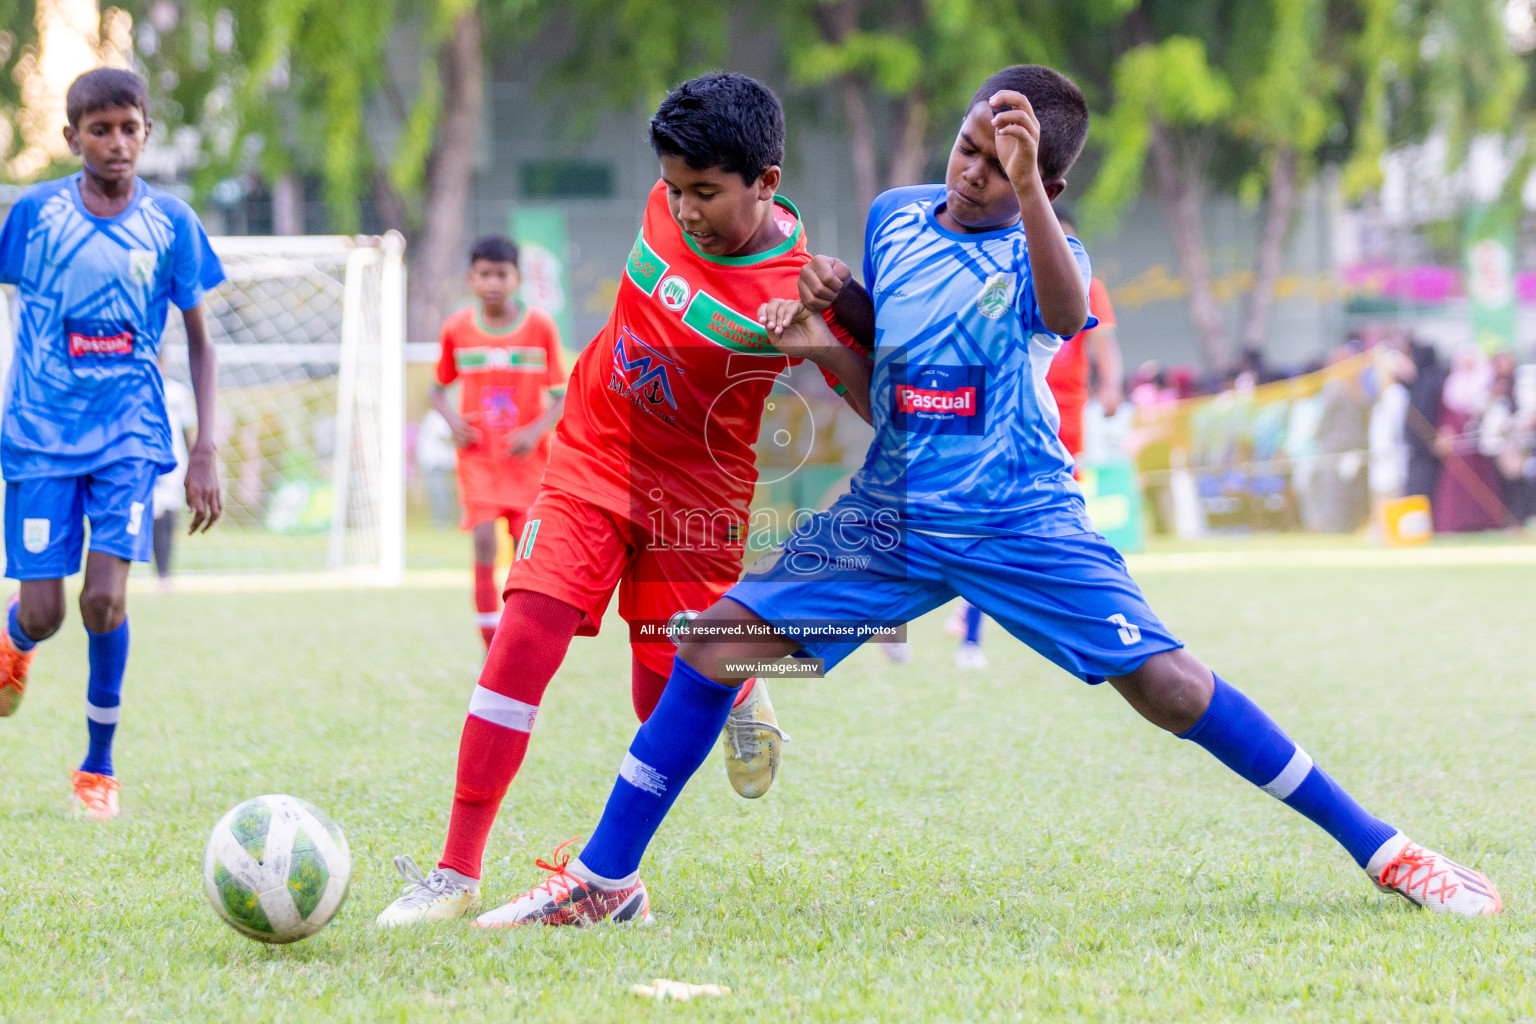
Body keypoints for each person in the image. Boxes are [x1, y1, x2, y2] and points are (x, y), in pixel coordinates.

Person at [478, 63, 1501, 928]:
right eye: (967, 148)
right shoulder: (895, 218)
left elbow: (1059, 312)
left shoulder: (1048, 254)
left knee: (1172, 690)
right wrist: (839, 307)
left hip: (1018, 518)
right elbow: (888, 352)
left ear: (1046, 180)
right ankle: (606, 881)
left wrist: (1031, 197)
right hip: (892, 522)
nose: (969, 174)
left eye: (998, 164)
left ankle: (1386, 848)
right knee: (712, 645)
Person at [375, 72, 875, 926]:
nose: (682, 209)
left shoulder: (800, 294)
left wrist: (839, 328)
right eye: (675, 188)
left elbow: (874, 398)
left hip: (698, 500)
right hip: (593, 454)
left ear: (767, 182)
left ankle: (636, 858)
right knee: (525, 634)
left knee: (662, 698)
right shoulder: (666, 194)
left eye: (705, 194)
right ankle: (455, 875)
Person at [0, 68, 224, 819]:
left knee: (102, 600)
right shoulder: (34, 216)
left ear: (147, 133)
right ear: (72, 138)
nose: (117, 142)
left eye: (130, 127)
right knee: (46, 613)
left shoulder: (172, 224)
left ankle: (97, 769)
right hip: (38, 435)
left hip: (129, 434)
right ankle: (14, 639)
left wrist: (204, 448)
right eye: (100, 129)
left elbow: (201, 342)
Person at [949, 206, 1122, 669]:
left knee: (1058, 528)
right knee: (991, 525)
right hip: (1012, 422)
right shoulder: (1006, 283)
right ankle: (970, 632)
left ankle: (1095, 625)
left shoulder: (1090, 288)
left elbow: (1103, 342)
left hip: (1065, 424)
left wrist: (1112, 387)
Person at [431, 235, 567, 648]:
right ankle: (490, 642)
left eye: (502, 274)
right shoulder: (457, 328)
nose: (493, 282)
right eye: (485, 274)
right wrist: (452, 420)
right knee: (485, 539)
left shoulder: (540, 326)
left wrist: (534, 430)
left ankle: (520, 635)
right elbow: (437, 389)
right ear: (471, 278)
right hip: (480, 461)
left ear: (517, 279)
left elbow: (561, 396)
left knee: (526, 553)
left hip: (526, 464)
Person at [152, 350, 198, 590]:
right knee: (148, 519)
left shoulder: (177, 393)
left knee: (167, 519)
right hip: (144, 464)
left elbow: (187, 431)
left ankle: (163, 575)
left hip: (173, 464)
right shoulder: (139, 390)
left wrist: (195, 463)